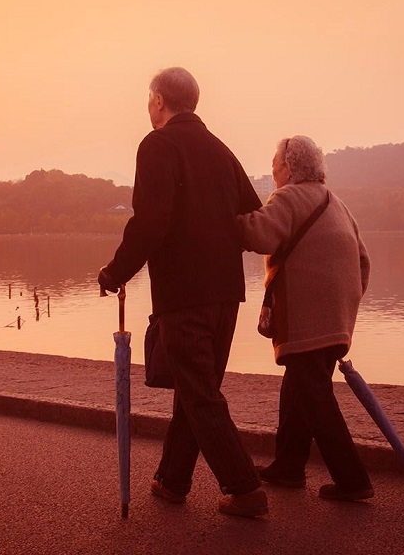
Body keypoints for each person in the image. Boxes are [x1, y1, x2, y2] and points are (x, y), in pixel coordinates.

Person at [98, 67, 268, 517]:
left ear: (158, 100)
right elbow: (251, 214)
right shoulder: (221, 149)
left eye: (148, 98)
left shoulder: (157, 145)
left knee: (200, 395)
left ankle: (245, 488)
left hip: (184, 292)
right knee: (196, 390)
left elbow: (150, 221)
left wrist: (115, 272)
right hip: (227, 292)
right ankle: (172, 480)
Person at [236, 135, 374, 501]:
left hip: (307, 319)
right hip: (338, 317)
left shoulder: (289, 198)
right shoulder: (336, 203)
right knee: (299, 386)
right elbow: (363, 262)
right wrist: (344, 304)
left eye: (275, 165)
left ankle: (353, 480)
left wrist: (226, 220)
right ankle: (289, 466)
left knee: (314, 395)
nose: (273, 171)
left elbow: (260, 235)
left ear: (289, 167)